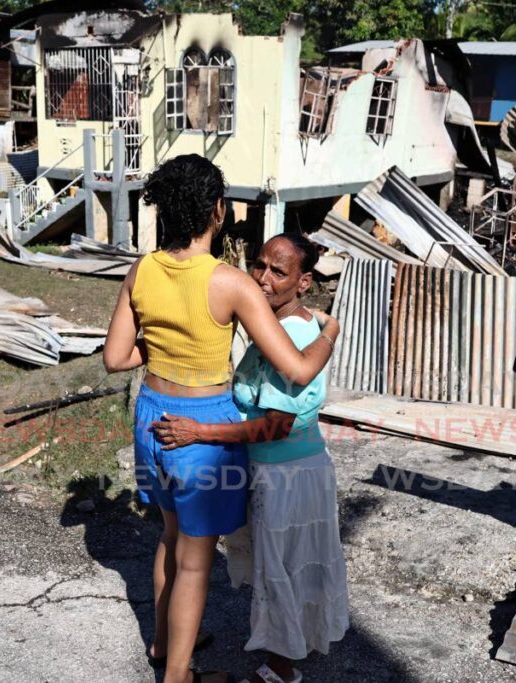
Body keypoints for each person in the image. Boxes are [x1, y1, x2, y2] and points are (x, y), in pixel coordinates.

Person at [103, 154, 340, 683]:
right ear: (217, 209)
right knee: (194, 558)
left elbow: (117, 357)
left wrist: (165, 342)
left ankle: (164, 647)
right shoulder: (232, 283)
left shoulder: (141, 269)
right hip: (201, 427)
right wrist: (329, 332)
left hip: (150, 415)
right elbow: (299, 369)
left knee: (167, 537)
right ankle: (179, 676)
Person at [152, 233, 349, 683]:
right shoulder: (269, 327)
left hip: (290, 475)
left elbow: (277, 424)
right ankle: (281, 659)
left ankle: (281, 671)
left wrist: (200, 431)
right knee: (275, 568)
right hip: (268, 470)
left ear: (304, 283)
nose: (262, 278)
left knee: (285, 572)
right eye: (260, 265)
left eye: (279, 272)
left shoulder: (296, 334)